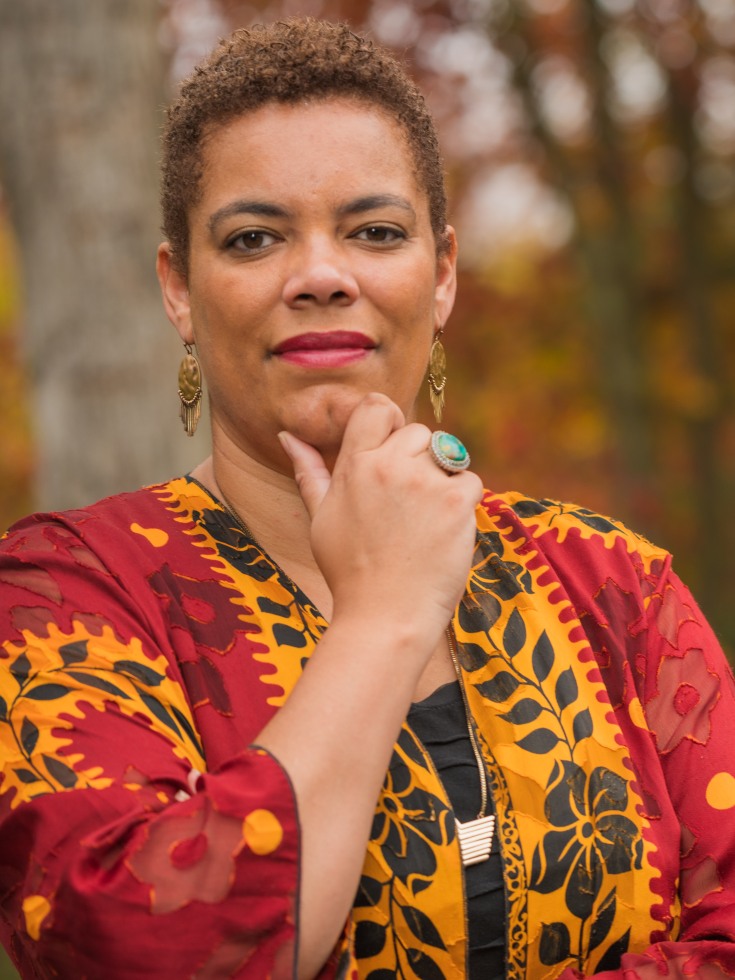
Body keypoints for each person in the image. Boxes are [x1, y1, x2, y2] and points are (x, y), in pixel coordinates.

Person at [0, 17, 734, 980]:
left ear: (442, 274)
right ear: (179, 289)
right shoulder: (70, 594)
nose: (320, 276)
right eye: (255, 237)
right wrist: (383, 618)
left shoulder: (614, 586)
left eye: (375, 232)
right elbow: (145, 944)